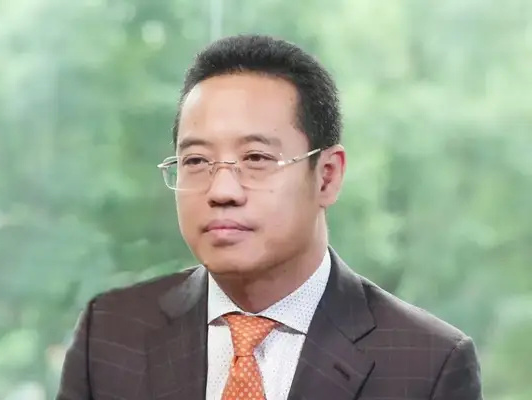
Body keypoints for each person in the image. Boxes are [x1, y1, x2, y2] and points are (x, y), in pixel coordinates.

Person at [55, 34, 482, 400]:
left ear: (327, 176)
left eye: (256, 158)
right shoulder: (110, 333)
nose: (222, 191)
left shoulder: (428, 364)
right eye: (197, 161)